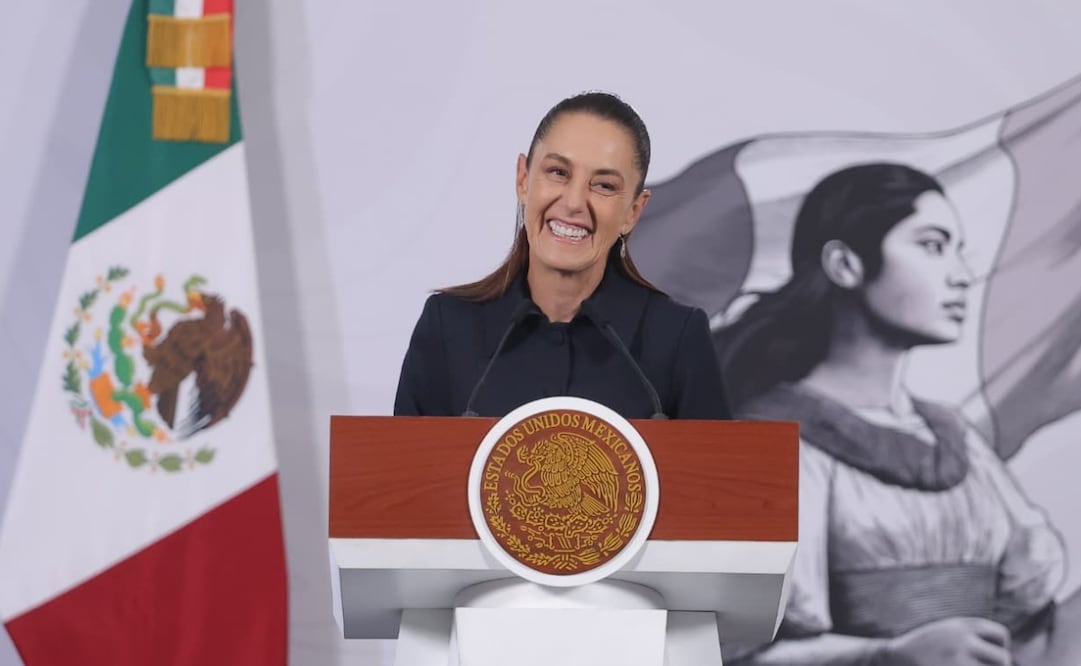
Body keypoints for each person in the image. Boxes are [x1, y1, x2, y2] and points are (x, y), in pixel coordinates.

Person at [715, 162, 1080, 666]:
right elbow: (729, 653)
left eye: (958, 251)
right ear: (846, 265)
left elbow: (1029, 620)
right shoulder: (766, 442)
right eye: (932, 246)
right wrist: (888, 654)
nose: (961, 275)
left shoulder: (954, 437)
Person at [393, 91, 731, 420]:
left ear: (633, 211)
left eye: (604, 185)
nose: (572, 202)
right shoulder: (448, 326)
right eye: (558, 173)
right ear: (523, 180)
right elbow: (403, 474)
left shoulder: (677, 337)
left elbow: (718, 475)